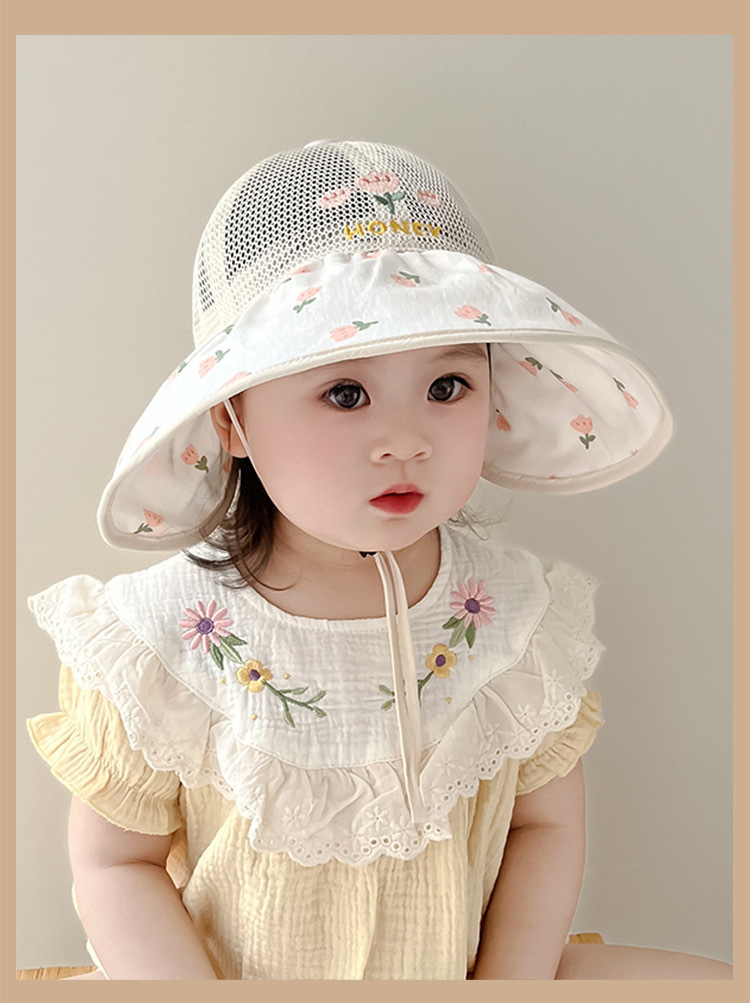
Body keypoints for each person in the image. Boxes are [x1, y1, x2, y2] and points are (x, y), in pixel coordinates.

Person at [26, 140, 731, 980]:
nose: (405, 440)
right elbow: (117, 863)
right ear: (231, 420)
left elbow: (543, 825)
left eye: (446, 387)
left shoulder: (515, 614)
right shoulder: (163, 638)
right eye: (346, 393)